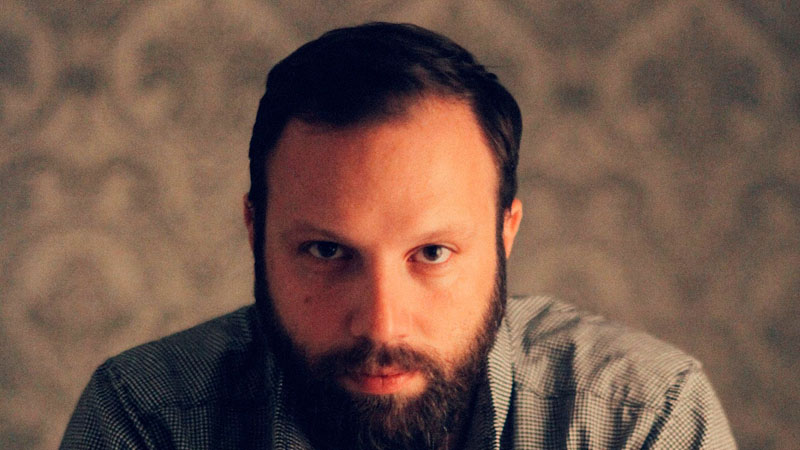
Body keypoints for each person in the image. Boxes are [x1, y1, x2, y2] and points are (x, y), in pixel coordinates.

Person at [60, 22, 736, 449]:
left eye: (432, 253)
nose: (382, 324)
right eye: (326, 251)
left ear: (505, 236)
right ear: (254, 231)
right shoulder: (147, 421)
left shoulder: (639, 419)